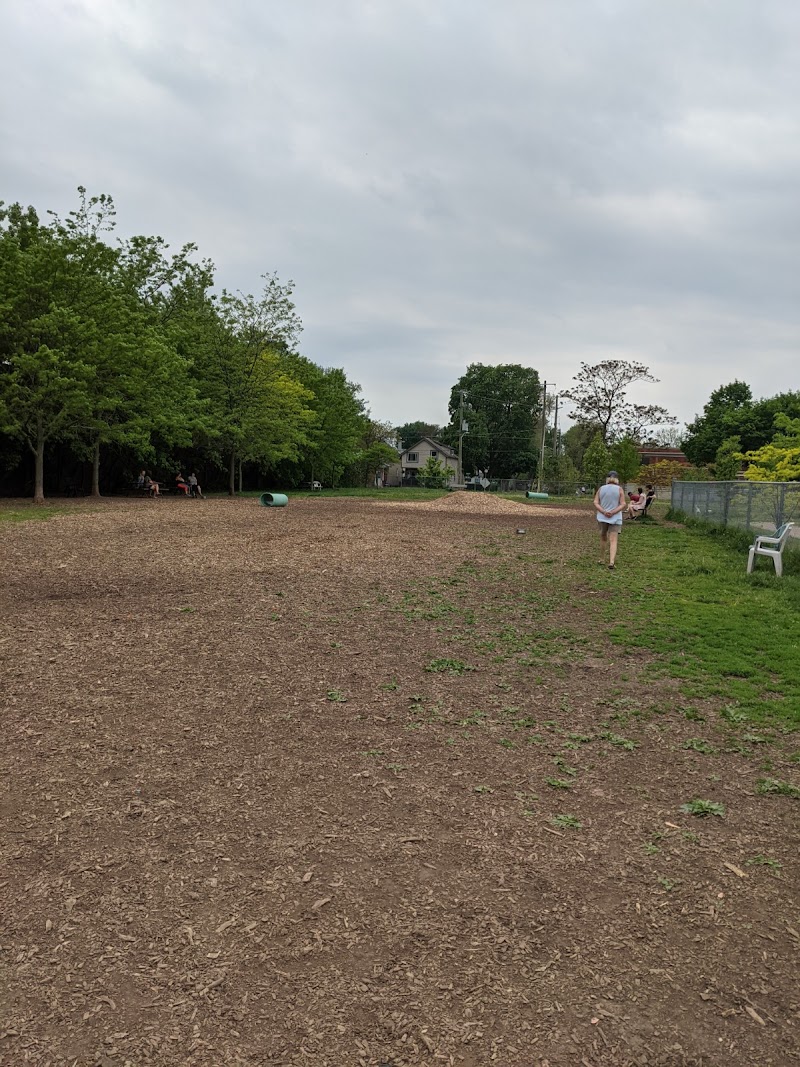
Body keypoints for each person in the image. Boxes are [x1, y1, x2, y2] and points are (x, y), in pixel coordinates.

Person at [593, 471, 625, 570]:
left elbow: (596, 502)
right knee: (613, 540)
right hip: (615, 518)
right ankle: (611, 561)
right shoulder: (619, 489)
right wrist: (613, 512)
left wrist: (603, 511)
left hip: (602, 517)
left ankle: (602, 558)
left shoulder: (601, 489)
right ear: (617, 479)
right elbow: (623, 504)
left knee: (603, 537)